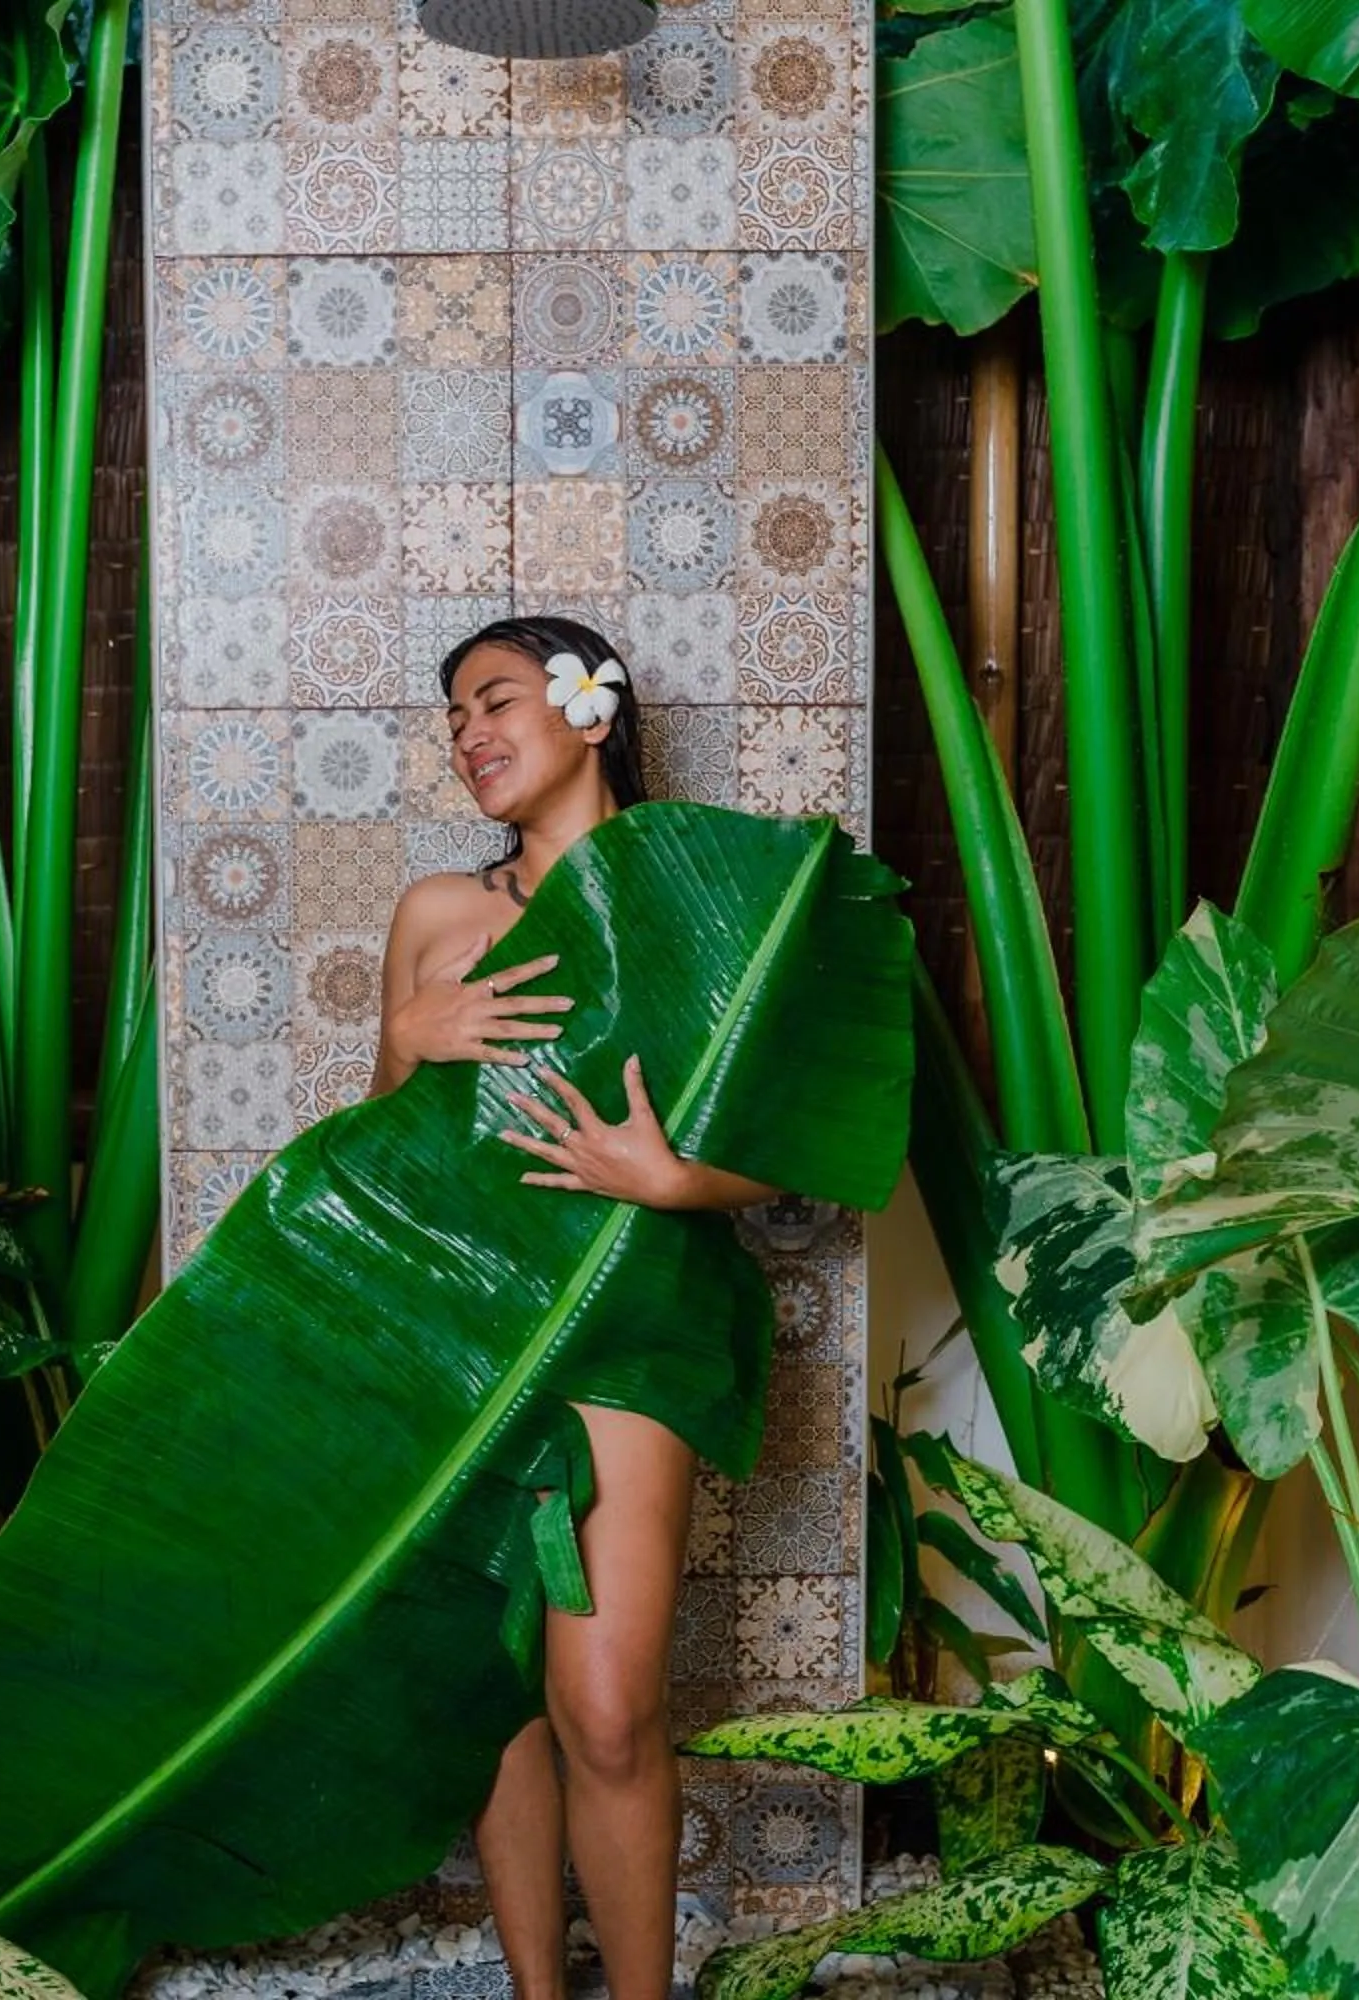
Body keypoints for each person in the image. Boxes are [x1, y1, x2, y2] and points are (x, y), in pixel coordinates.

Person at [370, 615, 776, 2000]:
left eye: (492, 701)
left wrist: (669, 1176)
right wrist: (405, 1045)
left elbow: (808, 1144)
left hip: (634, 1326)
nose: (466, 734)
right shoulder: (439, 915)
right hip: (467, 1333)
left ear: (590, 712)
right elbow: (379, 1155)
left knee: (606, 1707)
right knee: (501, 1695)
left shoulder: (707, 903)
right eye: (451, 721)